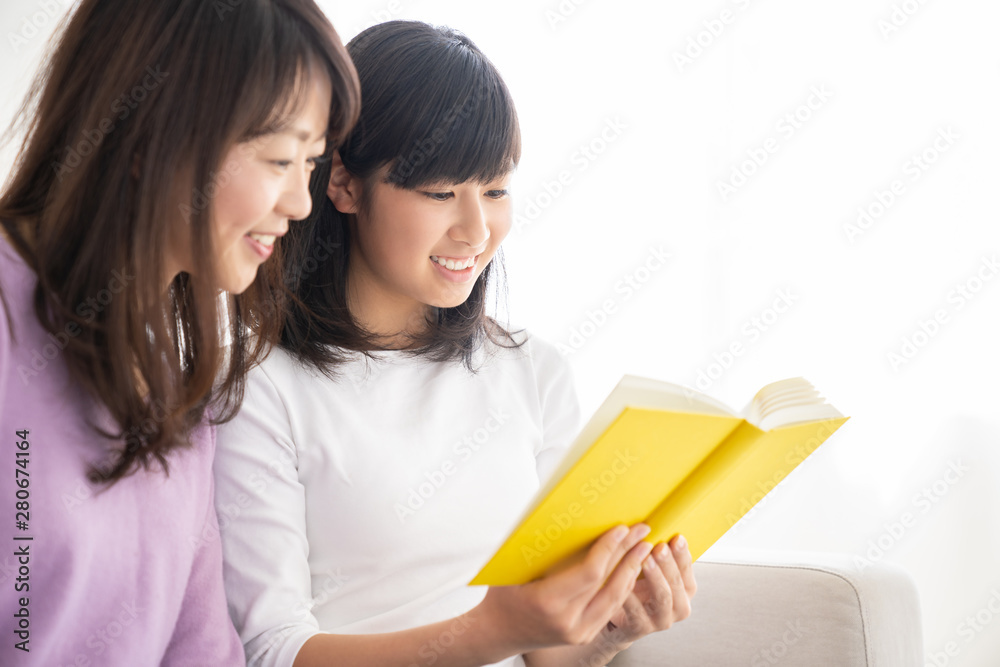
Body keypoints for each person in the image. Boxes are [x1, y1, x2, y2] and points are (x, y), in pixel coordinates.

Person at [213, 20, 696, 667]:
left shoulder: (534, 371)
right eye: (440, 192)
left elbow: (547, 656)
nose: (476, 229)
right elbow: (272, 651)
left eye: (495, 190)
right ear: (344, 183)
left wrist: (611, 630)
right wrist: (491, 630)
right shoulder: (259, 386)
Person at [0, 0, 360, 664]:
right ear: (150, 134)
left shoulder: (178, 380)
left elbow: (201, 649)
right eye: (279, 159)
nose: (301, 202)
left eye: (310, 163)